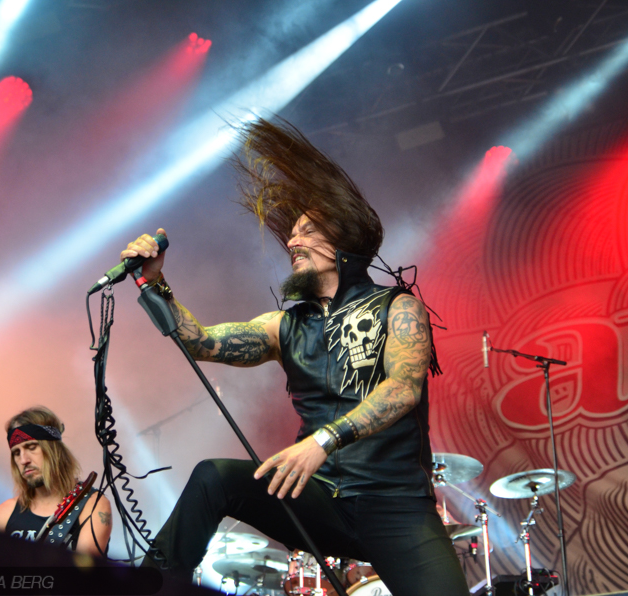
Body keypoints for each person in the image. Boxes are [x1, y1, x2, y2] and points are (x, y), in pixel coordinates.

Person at [123, 118, 468, 596]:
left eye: (307, 231)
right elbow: (200, 342)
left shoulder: (398, 307)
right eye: (291, 233)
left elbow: (403, 388)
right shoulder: (283, 326)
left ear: (342, 240)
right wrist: (153, 281)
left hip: (396, 504)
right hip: (319, 499)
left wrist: (322, 441)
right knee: (213, 478)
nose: (291, 242)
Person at [0, 406, 112, 556]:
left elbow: (83, 568)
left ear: (54, 450)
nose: (23, 460)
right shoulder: (5, 512)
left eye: (32, 447)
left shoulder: (93, 505)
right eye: (16, 452)